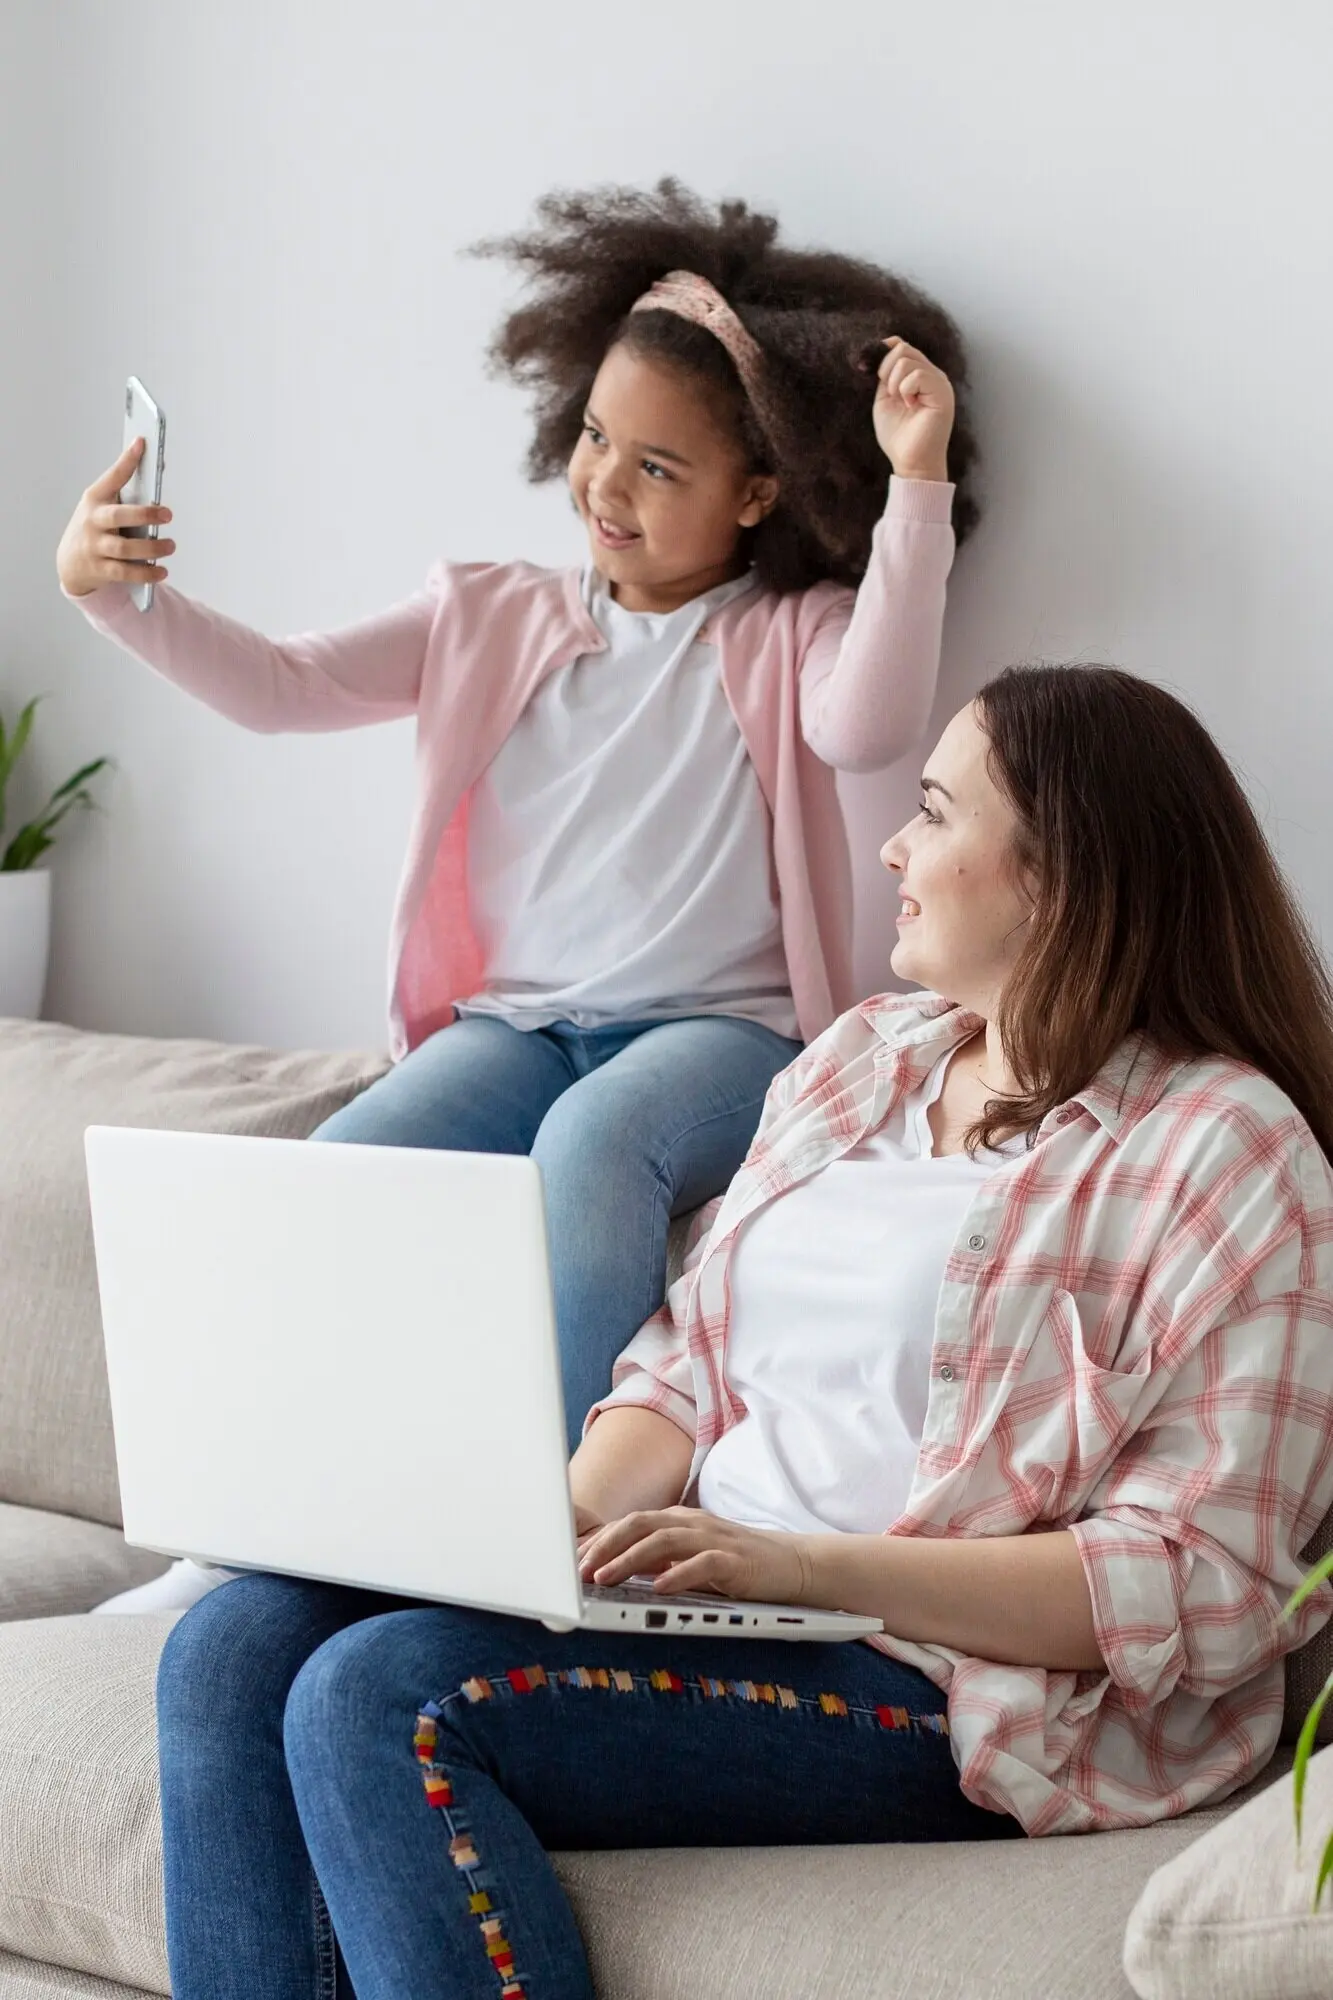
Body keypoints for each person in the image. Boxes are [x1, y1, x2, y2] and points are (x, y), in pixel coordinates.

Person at [155, 662, 1333, 2000]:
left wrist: (807, 1569)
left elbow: (1203, 1584)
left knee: (383, 1700)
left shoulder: (1228, 1153)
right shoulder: (863, 1057)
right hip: (707, 1595)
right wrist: (553, 1540)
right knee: (228, 1642)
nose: (892, 844)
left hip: (936, 1678)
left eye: (936, 813)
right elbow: (686, 1358)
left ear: (1056, 877)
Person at [57, 181, 975, 1502]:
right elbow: (281, 686)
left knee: (597, 1143)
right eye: (598, 438)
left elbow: (873, 721)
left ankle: (536, 1513)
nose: (606, 482)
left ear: (759, 493)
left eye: (660, 467)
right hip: (514, 1027)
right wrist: (121, 596)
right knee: (341, 1177)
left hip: (719, 1034)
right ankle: (255, 1509)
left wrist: (918, 487)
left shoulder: (789, 635)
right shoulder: (483, 612)